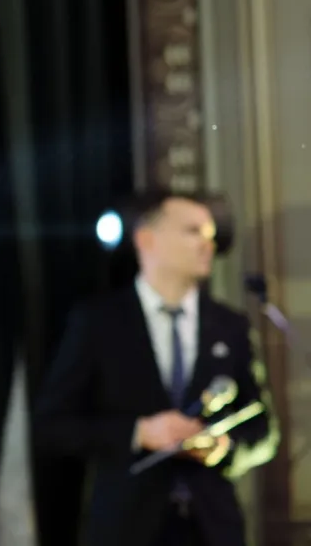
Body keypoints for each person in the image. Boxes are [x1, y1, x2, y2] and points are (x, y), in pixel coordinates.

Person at [34, 191, 279, 546]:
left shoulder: (231, 326)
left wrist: (225, 448)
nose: (208, 244)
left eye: (211, 235)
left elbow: (263, 430)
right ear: (147, 240)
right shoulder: (97, 323)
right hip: (126, 528)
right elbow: (51, 427)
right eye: (193, 231)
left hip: (214, 530)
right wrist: (139, 432)